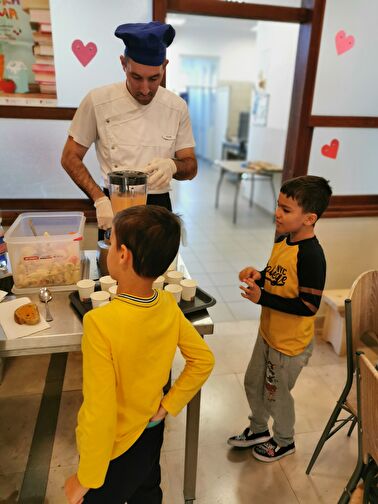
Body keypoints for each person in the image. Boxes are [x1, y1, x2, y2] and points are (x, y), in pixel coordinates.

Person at [64, 205, 214, 503]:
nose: (106, 245)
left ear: (123, 255)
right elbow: (203, 360)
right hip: (151, 428)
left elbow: (100, 410)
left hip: (115, 450)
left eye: (110, 239)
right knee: (147, 490)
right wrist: (167, 406)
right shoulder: (167, 305)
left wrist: (87, 477)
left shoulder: (99, 323)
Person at [227, 175, 332, 462]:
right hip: (269, 333)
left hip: (289, 345)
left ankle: (284, 441)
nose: (277, 213)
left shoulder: (312, 255)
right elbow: (278, 274)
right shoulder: (283, 239)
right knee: (253, 382)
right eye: (278, 205)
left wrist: (264, 298)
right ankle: (259, 429)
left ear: (309, 218)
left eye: (286, 210)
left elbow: (309, 305)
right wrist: (260, 276)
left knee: (276, 394)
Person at [61, 22, 197, 231]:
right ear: (123, 64)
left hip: (159, 207)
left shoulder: (176, 107)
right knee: (113, 264)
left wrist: (173, 165)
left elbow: (191, 167)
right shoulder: (98, 101)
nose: (145, 89)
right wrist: (99, 199)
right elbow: (69, 157)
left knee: (163, 265)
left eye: (154, 79)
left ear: (165, 67)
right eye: (136, 77)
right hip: (114, 203)